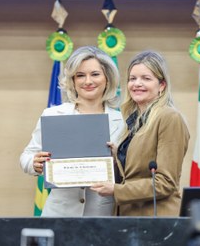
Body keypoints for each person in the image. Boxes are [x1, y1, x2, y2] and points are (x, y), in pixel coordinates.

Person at [20, 46, 125, 217]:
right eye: (80, 75)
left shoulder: (122, 122)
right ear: (72, 80)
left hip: (101, 215)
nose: (88, 81)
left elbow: (130, 172)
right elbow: (25, 157)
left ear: (107, 78)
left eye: (95, 74)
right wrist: (34, 163)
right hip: (59, 214)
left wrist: (117, 159)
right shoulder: (53, 115)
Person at [91, 50, 190, 216]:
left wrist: (116, 190)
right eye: (132, 78)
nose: (137, 84)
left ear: (162, 85)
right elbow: (135, 171)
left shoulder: (169, 117)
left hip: (156, 218)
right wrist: (117, 155)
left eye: (146, 78)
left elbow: (165, 183)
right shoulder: (133, 121)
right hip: (130, 216)